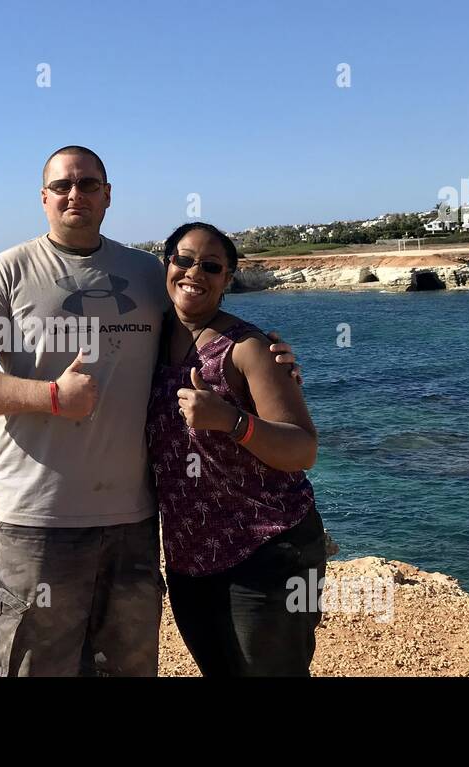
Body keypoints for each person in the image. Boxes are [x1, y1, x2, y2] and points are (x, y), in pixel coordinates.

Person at [0, 146, 301, 676]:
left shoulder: (144, 273)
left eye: (88, 184)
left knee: (128, 667)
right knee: (34, 665)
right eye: (62, 186)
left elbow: (200, 326)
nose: (74, 194)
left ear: (107, 196)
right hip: (38, 518)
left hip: (133, 519)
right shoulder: (8, 271)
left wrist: (272, 364)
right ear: (44, 198)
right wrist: (52, 397)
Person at [146, 221, 325, 677]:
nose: (194, 273)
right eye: (183, 260)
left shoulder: (248, 348)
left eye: (211, 266)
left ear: (228, 279)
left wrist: (231, 420)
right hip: (189, 555)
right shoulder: (147, 339)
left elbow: (303, 449)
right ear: (166, 265)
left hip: (267, 546)